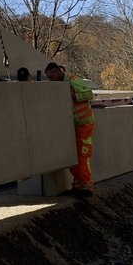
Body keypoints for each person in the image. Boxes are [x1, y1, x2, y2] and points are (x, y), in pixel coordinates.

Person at [44, 61, 95, 196]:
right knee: (73, 156)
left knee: (82, 155)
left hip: (84, 124)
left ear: (57, 72)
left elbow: (89, 94)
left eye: (51, 77)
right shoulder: (59, 85)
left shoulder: (74, 81)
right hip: (72, 125)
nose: (51, 81)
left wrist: (75, 95)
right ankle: (78, 184)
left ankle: (87, 184)